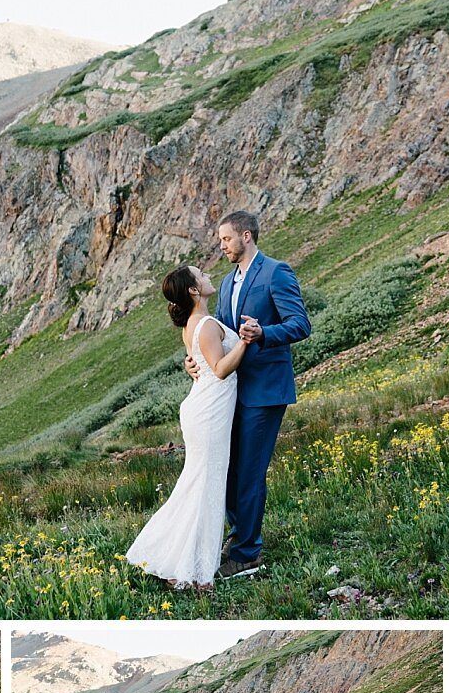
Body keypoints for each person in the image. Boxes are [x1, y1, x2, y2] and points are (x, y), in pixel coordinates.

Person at [126, 265, 255, 589]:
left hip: (204, 407)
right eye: (201, 275)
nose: (208, 276)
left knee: (199, 484)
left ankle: (181, 559)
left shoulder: (193, 325)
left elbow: (200, 363)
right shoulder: (207, 325)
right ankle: (195, 568)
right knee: (206, 486)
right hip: (209, 411)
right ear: (194, 290)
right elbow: (221, 369)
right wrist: (244, 341)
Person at [206, 211, 311, 577]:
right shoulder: (224, 284)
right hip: (231, 388)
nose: (221, 246)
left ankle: (247, 552)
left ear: (246, 236)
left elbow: (300, 324)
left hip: (266, 389)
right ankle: (240, 536)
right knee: (228, 469)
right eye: (220, 240)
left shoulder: (276, 272)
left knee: (249, 472)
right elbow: (219, 333)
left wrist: (264, 333)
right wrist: (198, 362)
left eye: (226, 239)